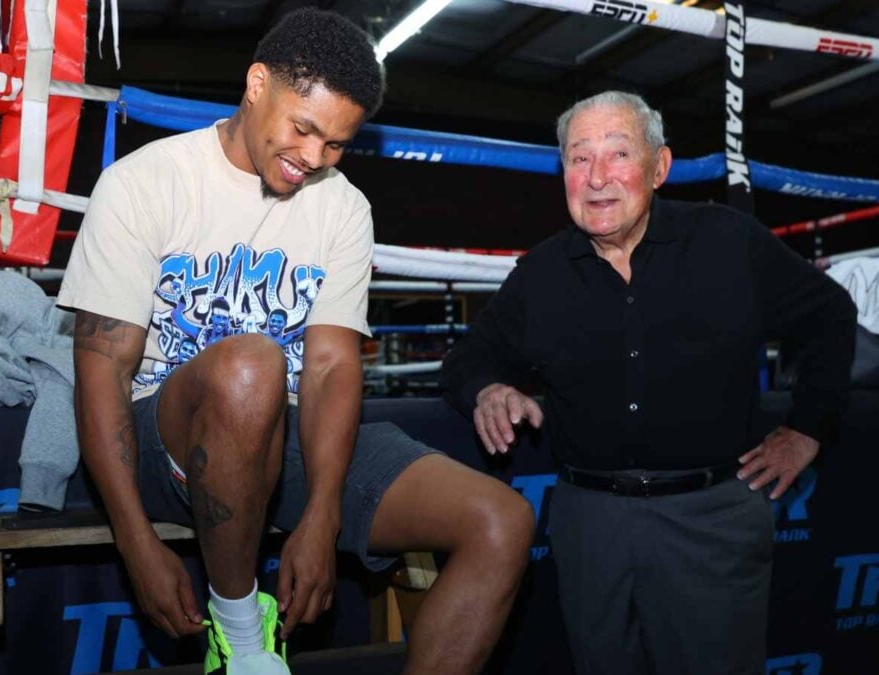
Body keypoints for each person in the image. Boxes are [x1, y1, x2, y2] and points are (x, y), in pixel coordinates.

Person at [59, 9, 534, 675]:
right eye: (303, 128)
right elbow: (103, 370)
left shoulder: (341, 206)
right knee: (252, 363)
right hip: (165, 435)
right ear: (257, 84)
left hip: (286, 431)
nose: (313, 158)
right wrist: (133, 537)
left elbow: (335, 367)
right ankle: (241, 634)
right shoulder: (145, 182)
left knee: (501, 521)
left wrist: (324, 511)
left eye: (336, 144)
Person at [441, 91, 857, 674]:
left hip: (713, 519)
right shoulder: (540, 274)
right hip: (591, 525)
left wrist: (808, 428)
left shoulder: (726, 241)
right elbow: (467, 359)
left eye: (617, 154)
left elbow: (831, 316)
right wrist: (488, 390)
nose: (597, 177)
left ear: (659, 167)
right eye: (579, 158)